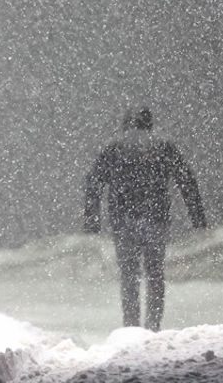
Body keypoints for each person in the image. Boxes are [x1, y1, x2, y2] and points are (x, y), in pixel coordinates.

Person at [83, 104, 207, 331]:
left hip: (123, 220)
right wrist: (197, 217)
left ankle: (131, 326)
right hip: (155, 217)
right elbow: (186, 180)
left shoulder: (113, 148)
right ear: (149, 122)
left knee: (129, 276)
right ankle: (152, 326)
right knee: (155, 273)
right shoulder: (164, 146)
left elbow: (94, 183)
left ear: (125, 123)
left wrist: (92, 220)